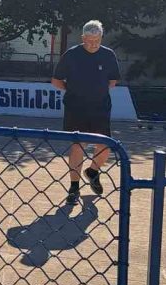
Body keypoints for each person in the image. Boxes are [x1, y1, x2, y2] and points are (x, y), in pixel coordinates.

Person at [50, 20, 121, 204]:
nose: (93, 44)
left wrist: (95, 93)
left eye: (97, 41)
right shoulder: (71, 55)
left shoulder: (108, 55)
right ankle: (74, 188)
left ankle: (92, 171)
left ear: (101, 38)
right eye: (89, 41)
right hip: (76, 108)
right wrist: (75, 91)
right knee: (77, 145)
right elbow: (56, 81)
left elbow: (112, 81)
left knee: (105, 146)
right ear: (83, 38)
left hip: (100, 108)